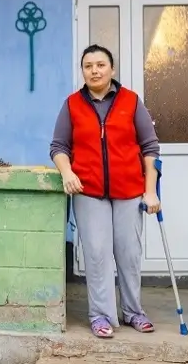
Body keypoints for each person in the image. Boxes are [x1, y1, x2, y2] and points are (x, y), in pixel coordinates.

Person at [50, 44, 161, 338]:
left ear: (112, 69)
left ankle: (133, 311)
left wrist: (150, 191)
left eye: (100, 65)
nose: (94, 71)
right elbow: (58, 147)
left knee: (129, 253)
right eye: (88, 66)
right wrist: (67, 172)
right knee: (97, 254)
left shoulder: (131, 101)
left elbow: (150, 148)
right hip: (88, 191)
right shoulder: (72, 104)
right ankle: (100, 315)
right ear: (82, 71)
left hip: (129, 190)